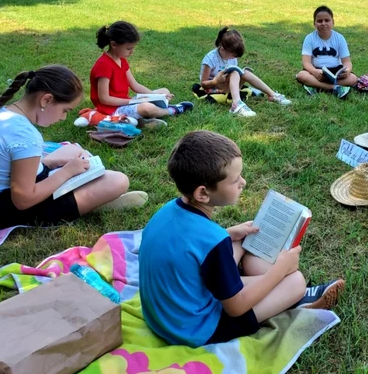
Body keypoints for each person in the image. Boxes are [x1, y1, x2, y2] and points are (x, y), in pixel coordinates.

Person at [139, 130, 345, 347]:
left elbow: (189, 249)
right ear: (202, 194)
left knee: (242, 242)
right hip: (199, 329)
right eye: (235, 179)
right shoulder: (213, 240)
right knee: (295, 281)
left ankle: (285, 292)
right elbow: (235, 307)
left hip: (164, 316)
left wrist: (229, 234)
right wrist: (280, 270)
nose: (243, 182)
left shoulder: (165, 211)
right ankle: (300, 298)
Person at [0, 65, 147, 229]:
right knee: (118, 181)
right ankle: (96, 204)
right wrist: (67, 172)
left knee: (74, 150)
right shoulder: (25, 135)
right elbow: (23, 200)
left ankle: (84, 192)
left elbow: (7, 164)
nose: (63, 117)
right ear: (46, 100)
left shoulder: (3, 115)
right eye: (65, 111)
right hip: (11, 210)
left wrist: (51, 162)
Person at [90, 21, 192, 128]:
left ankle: (144, 118)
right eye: (129, 48)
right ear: (114, 44)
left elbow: (135, 85)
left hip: (125, 103)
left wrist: (158, 96)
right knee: (147, 108)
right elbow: (104, 99)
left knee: (164, 91)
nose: (132, 52)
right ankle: (171, 110)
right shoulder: (104, 65)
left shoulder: (122, 60)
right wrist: (132, 101)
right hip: (111, 110)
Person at [199, 27, 291, 118]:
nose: (234, 58)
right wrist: (215, 81)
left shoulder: (232, 57)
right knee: (235, 72)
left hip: (229, 86)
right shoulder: (210, 59)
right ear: (223, 48)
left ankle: (272, 95)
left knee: (245, 72)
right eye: (233, 55)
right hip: (216, 88)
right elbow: (203, 84)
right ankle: (236, 105)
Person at [295, 6, 358, 99]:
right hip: (316, 71)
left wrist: (347, 71)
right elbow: (306, 62)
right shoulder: (310, 38)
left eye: (327, 20)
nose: (323, 23)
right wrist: (314, 72)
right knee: (301, 75)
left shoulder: (339, 38)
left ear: (333, 22)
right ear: (314, 23)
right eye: (319, 21)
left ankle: (315, 86)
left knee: (353, 79)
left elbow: (347, 61)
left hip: (336, 71)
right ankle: (334, 88)